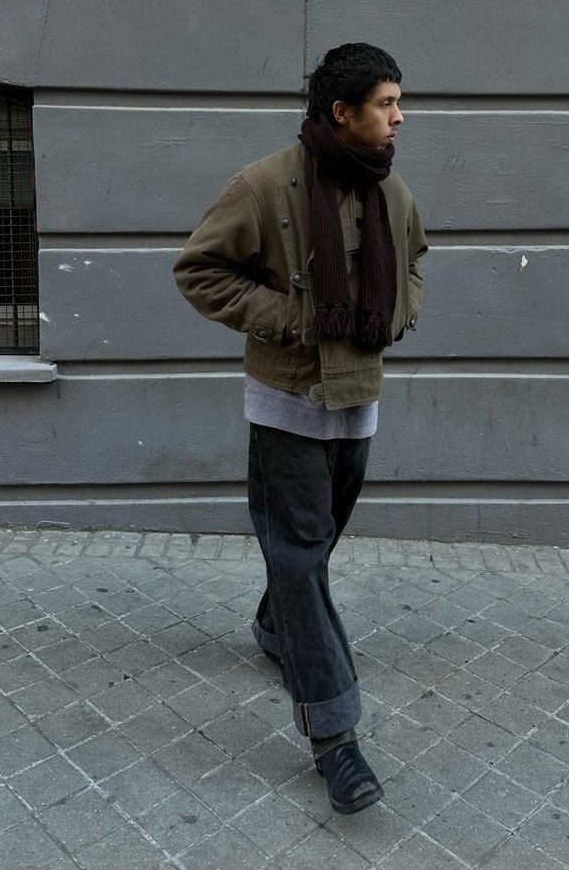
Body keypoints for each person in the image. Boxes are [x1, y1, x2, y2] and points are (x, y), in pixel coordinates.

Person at [173, 42, 427, 814]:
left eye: (398, 101)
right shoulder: (265, 184)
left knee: (306, 552)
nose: (399, 116)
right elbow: (199, 269)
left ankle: (275, 618)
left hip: (360, 402)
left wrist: (398, 312)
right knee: (303, 557)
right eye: (386, 103)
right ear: (341, 112)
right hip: (287, 403)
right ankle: (336, 737)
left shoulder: (393, 193)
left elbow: (414, 266)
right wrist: (293, 318)